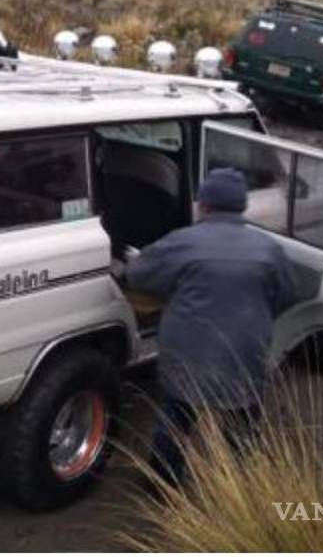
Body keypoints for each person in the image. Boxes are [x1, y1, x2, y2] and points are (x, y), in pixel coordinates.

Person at [120, 167, 300, 486]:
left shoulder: (183, 242)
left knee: (176, 417)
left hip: (188, 351)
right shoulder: (269, 248)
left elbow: (139, 276)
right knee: (242, 423)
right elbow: (287, 295)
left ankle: (163, 484)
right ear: (242, 207)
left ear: (203, 205)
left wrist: (139, 262)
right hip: (244, 352)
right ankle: (235, 490)